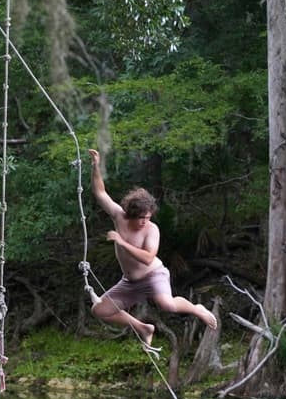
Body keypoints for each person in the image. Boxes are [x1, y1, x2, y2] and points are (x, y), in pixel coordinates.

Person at [88, 149, 218, 351]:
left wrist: (122, 243)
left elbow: (149, 258)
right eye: (141, 218)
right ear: (131, 214)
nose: (144, 222)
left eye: (148, 217)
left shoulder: (152, 230)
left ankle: (196, 309)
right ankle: (143, 328)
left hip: (153, 275)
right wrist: (95, 166)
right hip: (130, 282)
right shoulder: (119, 217)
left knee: (168, 305)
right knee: (100, 310)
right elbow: (100, 193)